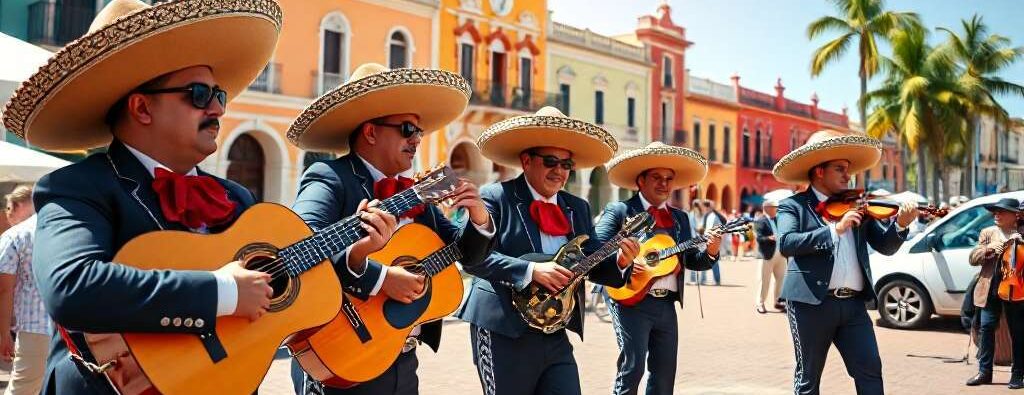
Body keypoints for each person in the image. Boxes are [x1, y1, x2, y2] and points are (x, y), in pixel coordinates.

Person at [0, 1, 283, 393]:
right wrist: (223, 291)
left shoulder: (236, 198)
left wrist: (355, 262)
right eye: (200, 94)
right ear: (142, 107)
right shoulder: (76, 187)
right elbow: (72, 287)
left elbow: (282, 291)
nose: (218, 107)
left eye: (218, 93)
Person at [288, 63, 495, 395]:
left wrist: (479, 219)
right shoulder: (330, 177)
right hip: (340, 353)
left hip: (400, 356)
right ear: (371, 132)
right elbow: (301, 243)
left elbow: (464, 254)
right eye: (407, 129)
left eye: (419, 132)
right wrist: (381, 277)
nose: (416, 139)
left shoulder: (415, 192)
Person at [456, 106, 640, 395]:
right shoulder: (495, 197)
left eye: (567, 165)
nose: (559, 171)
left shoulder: (577, 208)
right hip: (502, 329)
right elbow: (474, 259)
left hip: (555, 332)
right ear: (526, 161)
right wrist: (530, 271)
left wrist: (620, 261)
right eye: (551, 161)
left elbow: (591, 262)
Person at [772, 130, 916, 394]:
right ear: (819, 171)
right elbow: (787, 243)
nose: (847, 176)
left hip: (853, 306)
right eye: (839, 169)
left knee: (870, 368)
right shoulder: (793, 206)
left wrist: (901, 225)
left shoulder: (858, 205)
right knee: (808, 378)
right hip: (811, 303)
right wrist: (833, 230)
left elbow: (885, 246)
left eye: (847, 169)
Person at [596, 142, 720, 394]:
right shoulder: (620, 211)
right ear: (640, 180)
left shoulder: (680, 218)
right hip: (629, 301)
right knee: (633, 369)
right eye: (656, 177)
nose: (664, 183)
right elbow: (596, 250)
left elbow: (689, 259)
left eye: (669, 178)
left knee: (665, 375)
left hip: (666, 305)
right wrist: (624, 258)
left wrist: (711, 251)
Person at [965, 198, 1024, 389]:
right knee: (987, 329)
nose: (996, 215)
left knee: (1018, 333)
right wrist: (988, 250)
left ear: (1015, 215)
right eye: (995, 212)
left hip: (1016, 289)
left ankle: (1018, 374)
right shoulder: (988, 233)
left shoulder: (1022, 233)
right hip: (990, 288)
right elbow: (973, 258)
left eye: (1001, 211)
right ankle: (984, 372)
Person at [0, 185, 49, 395]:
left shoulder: (16, 235)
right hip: (74, 326)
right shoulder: (71, 230)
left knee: (22, 389)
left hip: (35, 328)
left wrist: (3, 334)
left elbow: (4, 289)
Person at [754, 194, 790, 314]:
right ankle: (760, 303)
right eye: (775, 207)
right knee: (765, 281)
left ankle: (778, 302)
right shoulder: (760, 221)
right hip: (767, 255)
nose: (777, 209)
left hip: (780, 254)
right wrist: (770, 238)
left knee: (781, 280)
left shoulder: (779, 219)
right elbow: (759, 238)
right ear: (767, 208)